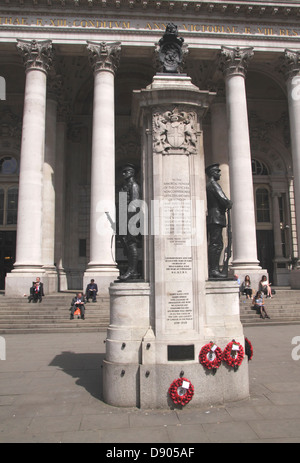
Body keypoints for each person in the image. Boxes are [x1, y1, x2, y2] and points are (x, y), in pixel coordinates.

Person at [206, 164, 233, 279]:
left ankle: (215, 269)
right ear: (212, 173)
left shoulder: (211, 184)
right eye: (217, 171)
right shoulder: (213, 184)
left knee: (218, 244)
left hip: (216, 217)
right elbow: (223, 199)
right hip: (215, 217)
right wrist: (228, 203)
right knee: (216, 244)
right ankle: (214, 270)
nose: (219, 173)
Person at [117, 163, 141, 281]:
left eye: (125, 171)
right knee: (125, 243)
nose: (123, 174)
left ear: (131, 172)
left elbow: (135, 204)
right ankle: (131, 269)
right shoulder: (124, 186)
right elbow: (122, 204)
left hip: (130, 219)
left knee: (131, 243)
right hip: (123, 218)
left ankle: (132, 271)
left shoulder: (134, 186)